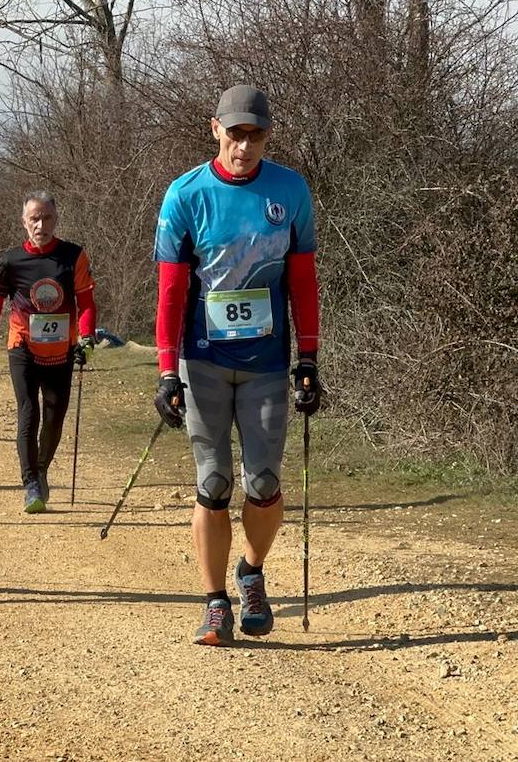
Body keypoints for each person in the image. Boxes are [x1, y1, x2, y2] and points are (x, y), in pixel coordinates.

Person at [152, 85, 321, 646]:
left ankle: (250, 571)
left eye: (256, 135)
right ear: (215, 129)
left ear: (268, 135)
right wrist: (166, 371)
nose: (244, 146)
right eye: (235, 134)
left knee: (265, 482)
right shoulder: (185, 195)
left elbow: (302, 282)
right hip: (202, 360)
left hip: (267, 363)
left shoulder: (290, 190)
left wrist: (309, 360)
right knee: (214, 481)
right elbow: (172, 294)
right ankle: (214, 600)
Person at [0, 192, 97, 514]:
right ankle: (30, 483)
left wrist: (86, 339)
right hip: (23, 348)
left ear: (56, 221)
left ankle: (42, 468)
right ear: (24, 221)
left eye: (46, 218)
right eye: (34, 218)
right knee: (28, 412)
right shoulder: (11, 260)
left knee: (55, 417)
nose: (40, 224)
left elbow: (86, 302)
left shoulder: (73, 256)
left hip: (62, 350)